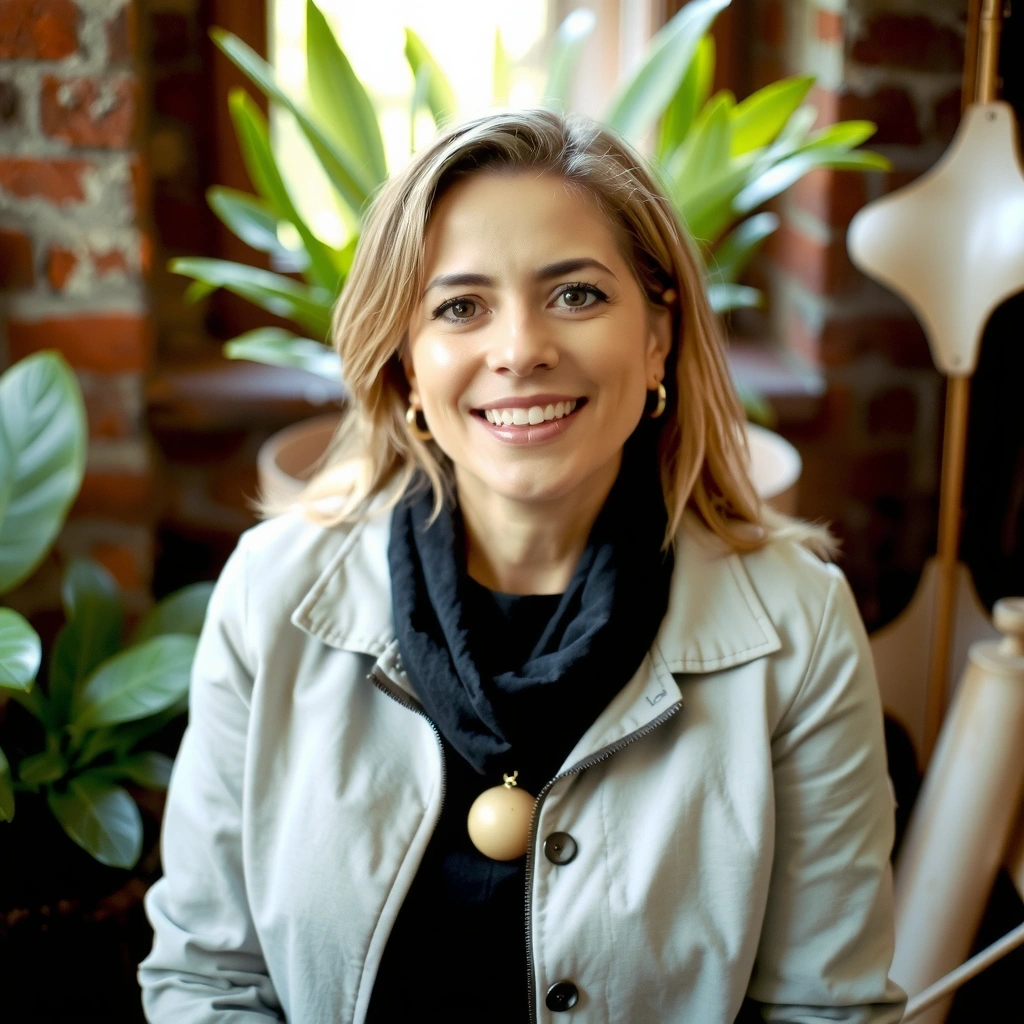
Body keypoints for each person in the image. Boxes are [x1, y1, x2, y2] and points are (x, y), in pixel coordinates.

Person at [139, 109, 906, 1023]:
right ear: (407, 367)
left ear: (658, 335)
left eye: (576, 295)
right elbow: (207, 979)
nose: (520, 350)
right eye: (460, 307)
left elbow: (829, 1011)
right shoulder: (273, 590)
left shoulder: (798, 624)